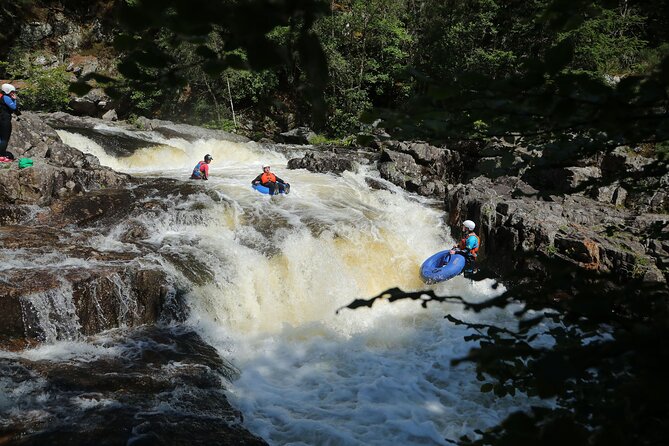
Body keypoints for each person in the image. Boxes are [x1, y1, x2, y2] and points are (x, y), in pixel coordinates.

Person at [0, 83, 21, 160]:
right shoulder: (6, 98)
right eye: (12, 91)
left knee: (0, 137)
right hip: (4, 120)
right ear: (7, 91)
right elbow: (14, 108)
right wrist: (14, 99)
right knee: (5, 138)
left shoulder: (1, 96)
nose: (13, 93)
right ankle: (1, 156)